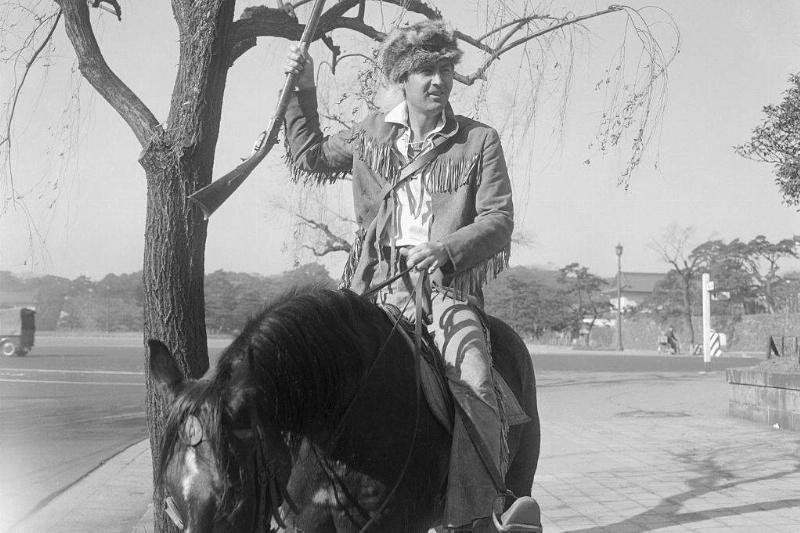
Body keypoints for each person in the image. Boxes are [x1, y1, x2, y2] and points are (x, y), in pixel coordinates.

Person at [283, 20, 537, 532]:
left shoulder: (478, 140)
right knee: (299, 372)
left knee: (478, 377)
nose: (437, 80)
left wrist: (446, 248)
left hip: (444, 291)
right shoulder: (369, 133)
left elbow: (498, 220)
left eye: (444, 69)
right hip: (367, 289)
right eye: (425, 70)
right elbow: (307, 154)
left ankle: (482, 511)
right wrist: (302, 89)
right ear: (403, 76)